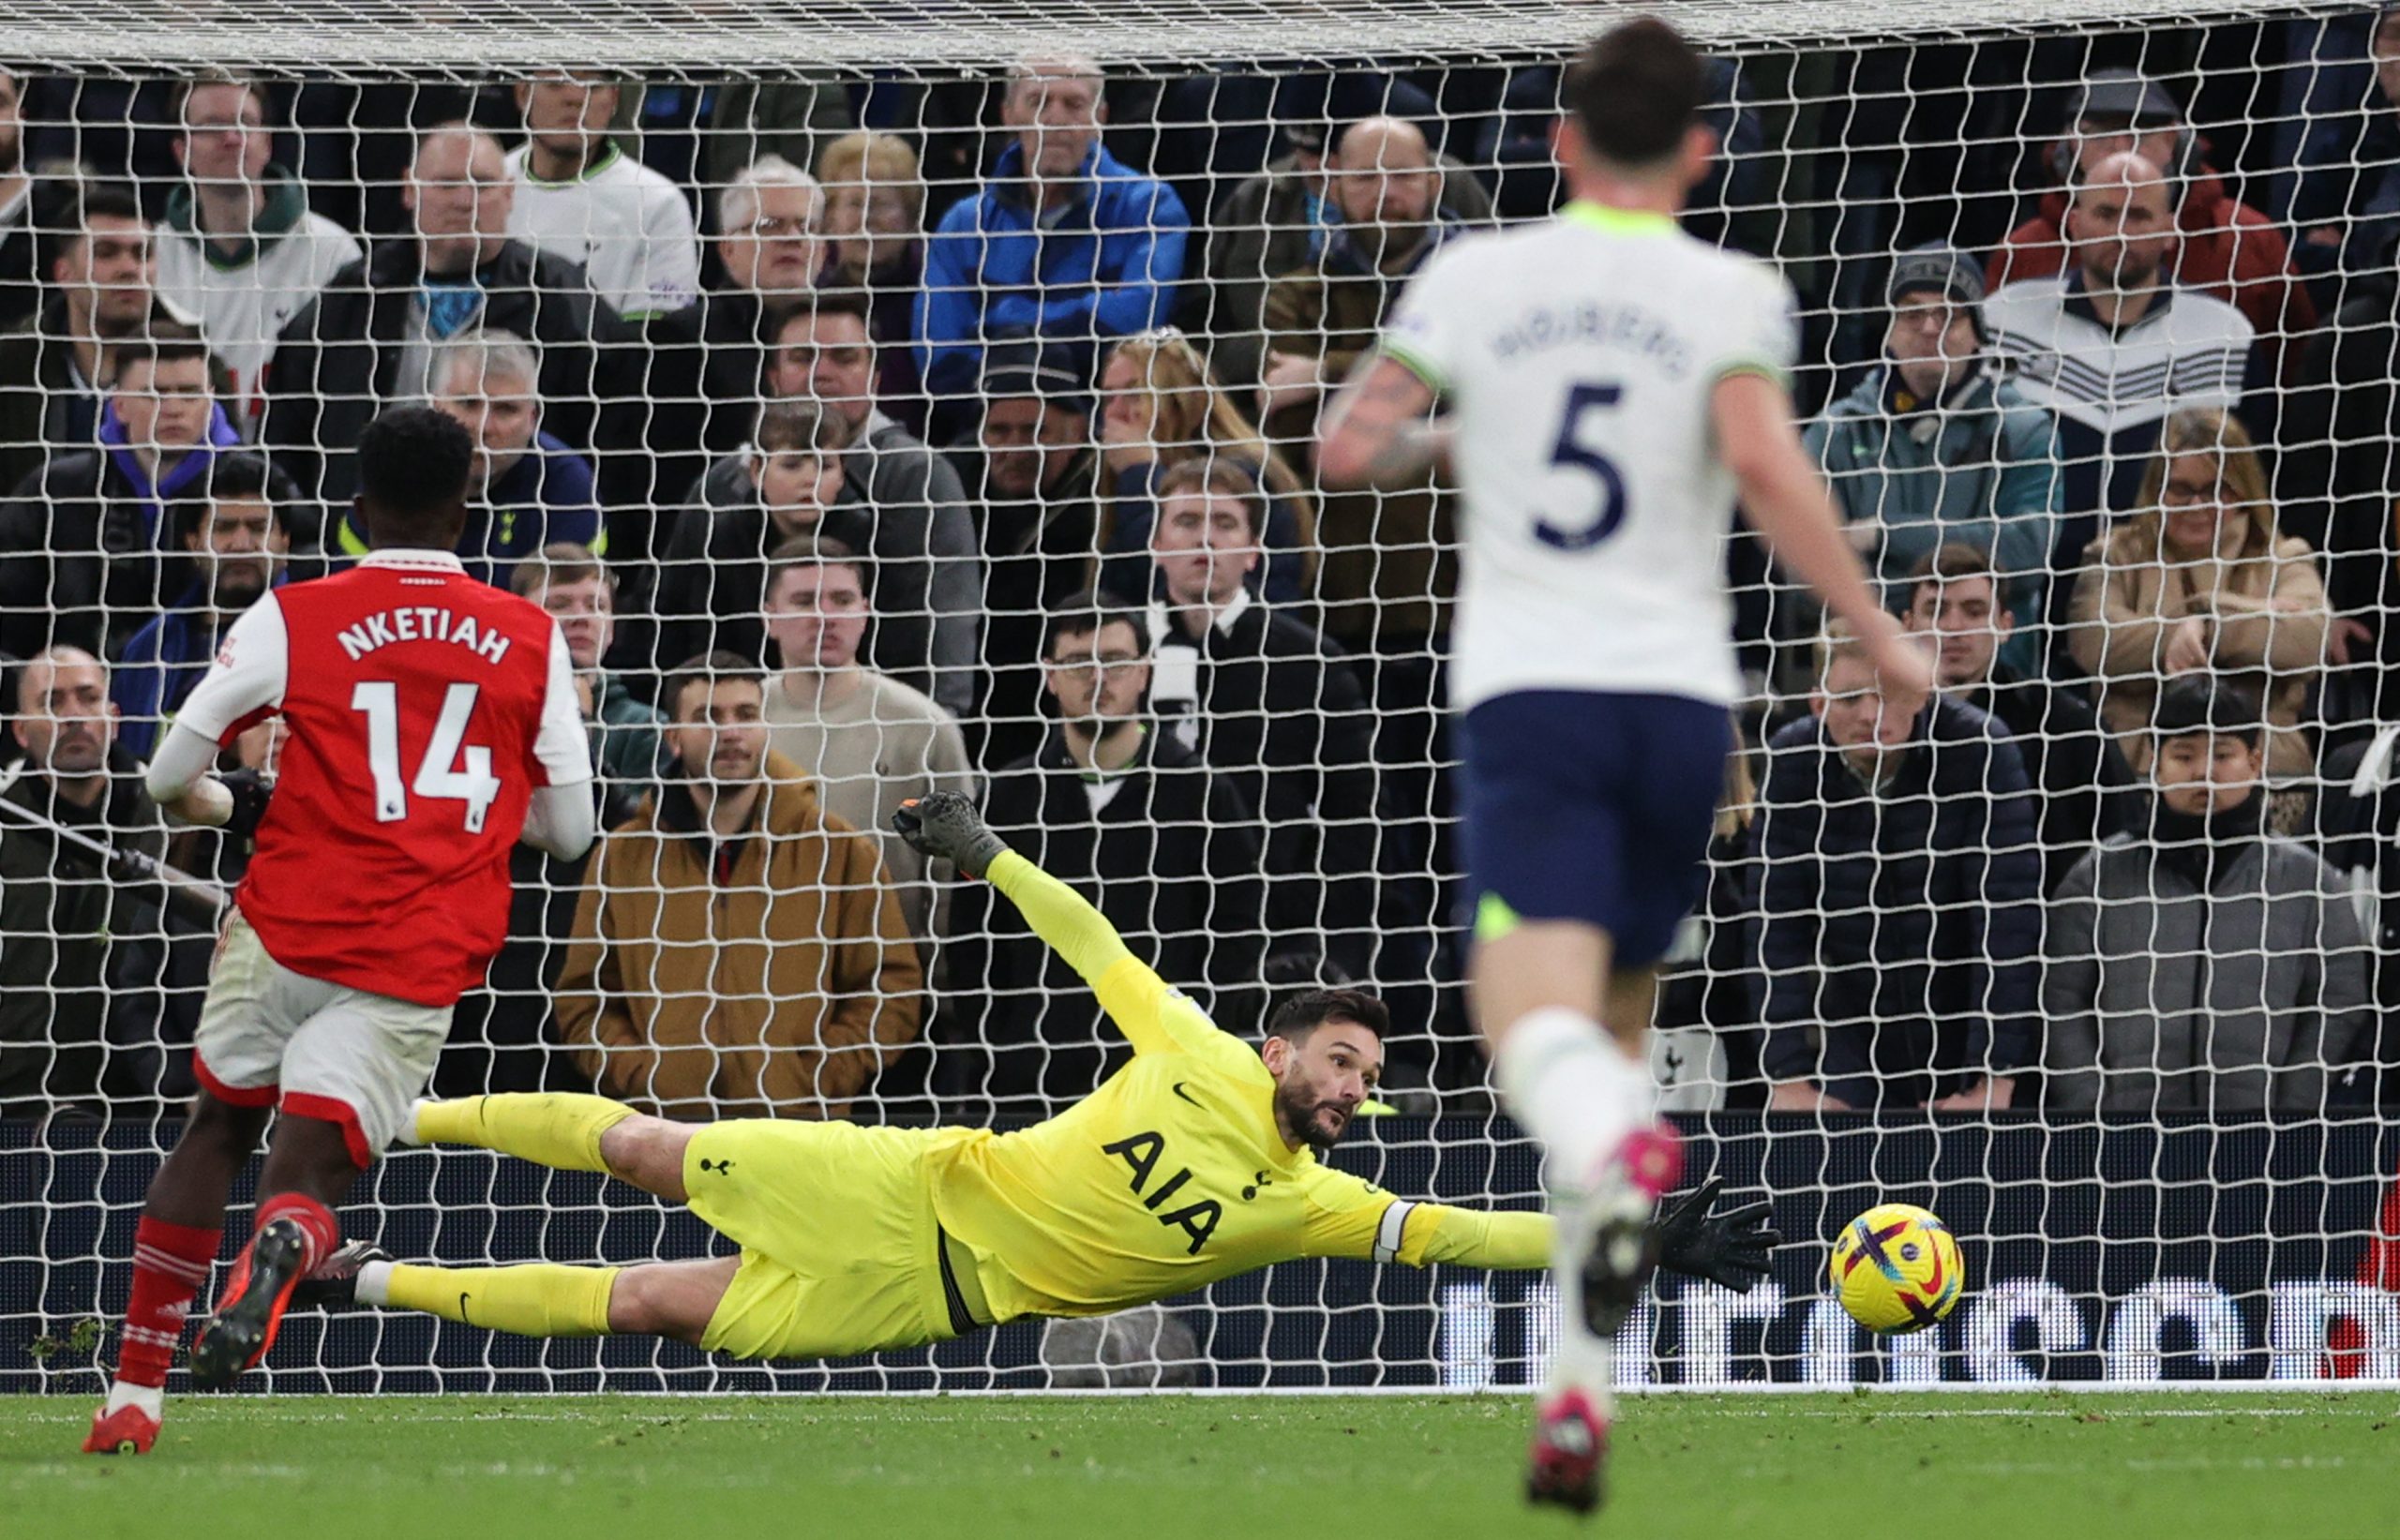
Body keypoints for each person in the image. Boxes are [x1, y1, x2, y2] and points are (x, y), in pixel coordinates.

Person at [1313, 19, 1929, 1511]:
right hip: (1681, 712)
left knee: (1525, 1023)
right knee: (1614, 1028)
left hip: (1537, 699)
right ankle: (1580, 1401)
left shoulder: (1477, 274)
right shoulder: (1734, 286)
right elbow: (1765, 458)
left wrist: (1466, 437)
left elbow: (1346, 448)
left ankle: (1629, 1146)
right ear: (1702, 150)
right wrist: (1873, 628)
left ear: (1558, 141)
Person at [297, 793, 1777, 1386]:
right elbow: (1098, 942)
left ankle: (360, 1274)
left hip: (920, 1296)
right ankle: (394, 1110)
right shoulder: (1197, 1049)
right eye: (1340, 1058)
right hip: (906, 1178)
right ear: (1281, 1050)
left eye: (1369, 1076)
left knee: (643, 1302)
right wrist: (989, 855)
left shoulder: (1313, 1201)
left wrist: (1623, 1235)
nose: (1352, 1086)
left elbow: (1469, 1231)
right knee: (641, 1144)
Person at [82, 404, 596, 1457]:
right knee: (309, 1172)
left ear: (357, 512)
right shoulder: (530, 635)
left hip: (281, 927)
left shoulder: (291, 612)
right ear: (469, 510)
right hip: (414, 951)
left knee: (215, 1129)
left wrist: (235, 807)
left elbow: (167, 774)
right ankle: (284, 1243)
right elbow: (572, 831)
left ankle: (135, 1394)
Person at [552, 652, 922, 1120]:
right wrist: (643, 1077)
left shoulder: (839, 851)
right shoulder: (623, 858)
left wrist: (821, 1075)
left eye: (745, 715)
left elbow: (891, 985)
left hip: (800, 1135)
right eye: (707, 717)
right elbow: (585, 1000)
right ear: (674, 738)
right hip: (664, 1141)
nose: (730, 732)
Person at [945, 599, 1265, 1112]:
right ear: (1049, 676)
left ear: (1145, 672)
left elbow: (1236, 937)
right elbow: (972, 941)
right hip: (1031, 1084)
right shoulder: (1008, 796)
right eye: (1077, 663)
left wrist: (1195, 1045)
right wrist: (1004, 1044)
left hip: (1165, 1086)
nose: (1098, 678)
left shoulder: (1201, 793)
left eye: (1115, 660)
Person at [2047, 678, 2371, 1114]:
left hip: (2266, 1141)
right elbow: (2061, 1001)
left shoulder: (2308, 880)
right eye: (2184, 756)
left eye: (2223, 755)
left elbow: (2338, 1000)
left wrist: (2295, 1106)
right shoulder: (2098, 876)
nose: (2205, 772)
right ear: (2155, 764)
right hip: (2127, 1139)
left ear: (2255, 763)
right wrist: (2094, 1106)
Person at [1753, 624, 2041, 1114]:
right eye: (1849, 700)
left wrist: (1993, 1077)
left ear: (1920, 693)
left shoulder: (1980, 749)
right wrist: (1787, 1077)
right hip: (1854, 1019)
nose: (1871, 716)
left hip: (1961, 1012)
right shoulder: (1791, 761)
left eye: (1888, 696)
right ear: (1817, 703)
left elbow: (2006, 924)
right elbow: (1773, 929)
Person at [266, 123, 620, 511]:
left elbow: (614, 441)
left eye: (483, 185)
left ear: (509, 193)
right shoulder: (349, 301)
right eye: (447, 184)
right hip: (368, 535)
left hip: (519, 537)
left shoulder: (563, 301)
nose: (465, 201)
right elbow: (289, 443)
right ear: (409, 189)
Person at [436, 545, 668, 1099]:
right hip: (495, 950)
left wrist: (581, 735)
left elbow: (644, 833)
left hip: (608, 952)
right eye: (560, 603)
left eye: (596, 603)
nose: (582, 615)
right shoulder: (476, 717)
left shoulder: (649, 728)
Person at [1141, 460, 1379, 985]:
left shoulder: (1310, 660)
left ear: (1253, 551)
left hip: (1275, 927)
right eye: (1185, 521)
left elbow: (1355, 814)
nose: (1204, 537)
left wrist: (1307, 915)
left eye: (1225, 523)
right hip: (1144, 914)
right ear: (1156, 543)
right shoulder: (1116, 651)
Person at [1983, 150, 2262, 530]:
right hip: (2027, 577)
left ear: (2170, 230)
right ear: (2075, 222)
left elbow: (2254, 476)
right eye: (2106, 214)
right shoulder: (2006, 317)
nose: (2121, 232)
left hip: (2166, 578)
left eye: (2139, 216)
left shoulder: (2225, 334)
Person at [1802, 244, 2062, 650]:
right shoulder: (1836, 431)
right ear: (1888, 329)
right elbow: (1809, 563)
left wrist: (1883, 535)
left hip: (1997, 676)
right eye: (1911, 312)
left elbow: (2026, 553)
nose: (1928, 328)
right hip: (1874, 664)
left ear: (1977, 332)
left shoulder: (2025, 428)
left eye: (1949, 315)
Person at [916, 56, 1189, 430]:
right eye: (1038, 102)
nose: (1055, 119)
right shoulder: (964, 224)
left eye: (1073, 104)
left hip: (1109, 429)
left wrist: (1006, 321)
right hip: (989, 437)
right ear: (1008, 114)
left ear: (1101, 117)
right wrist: (1014, 421)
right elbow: (940, 359)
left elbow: (1134, 322)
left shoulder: (1148, 206)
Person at [2070, 408, 2330, 796]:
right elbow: (2095, 641)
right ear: (2157, 489)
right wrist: (2192, 629)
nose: (2196, 505)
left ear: (2244, 490)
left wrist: (2208, 620)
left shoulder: (2285, 555)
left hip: (2269, 774)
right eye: (2181, 489)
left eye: (2216, 489)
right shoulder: (2113, 554)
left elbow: (2310, 638)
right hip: (2138, 773)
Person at [1988, 68, 2315, 377]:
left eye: (2140, 134)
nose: (2121, 151)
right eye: (2101, 135)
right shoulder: (2023, 253)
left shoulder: (2248, 239)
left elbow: (2292, 371)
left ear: (2174, 141)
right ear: (2071, 144)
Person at [762, 534, 974, 946]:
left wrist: (942, 991)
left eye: (841, 600)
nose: (824, 617)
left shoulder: (923, 727)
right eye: (804, 601)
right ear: (769, 616)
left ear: (864, 611)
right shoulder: (743, 725)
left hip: (892, 975)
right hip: (765, 972)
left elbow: (957, 875)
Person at [0, 325, 248, 662]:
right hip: (82, 696)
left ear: (212, 398)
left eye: (190, 393)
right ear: (119, 405)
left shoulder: (259, 486)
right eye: (154, 394)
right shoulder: (55, 492)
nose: (173, 407)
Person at [1902, 543, 2135, 894]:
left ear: (2005, 625)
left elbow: (2125, 843)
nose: (1953, 628)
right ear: (1907, 625)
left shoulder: (2065, 725)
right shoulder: (1880, 725)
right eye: (1936, 611)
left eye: (1974, 611)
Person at [1208, 108, 1494, 388]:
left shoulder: (1486, 280)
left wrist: (1326, 370)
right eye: (1366, 177)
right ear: (1335, 190)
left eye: (1403, 175)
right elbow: (1294, 413)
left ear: (1433, 185)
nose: (1385, 193)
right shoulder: (1297, 298)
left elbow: (1491, 376)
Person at [0, 646, 171, 1111]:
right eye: (52, 703)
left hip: (150, 1110)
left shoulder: (175, 819)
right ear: (20, 728)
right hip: (18, 1105)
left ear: (114, 717)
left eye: (87, 698)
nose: (73, 716)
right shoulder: (5, 823)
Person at [155, 72, 362, 432]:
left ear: (266, 143)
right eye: (212, 126)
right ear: (181, 150)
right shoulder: (151, 253)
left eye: (245, 124)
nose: (232, 139)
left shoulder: (332, 251)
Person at [329, 328, 604, 591]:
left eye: (506, 410)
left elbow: (567, 609)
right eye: (468, 404)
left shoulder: (569, 488)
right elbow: (351, 592)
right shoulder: (393, 469)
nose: (483, 426)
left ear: (533, 418)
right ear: (436, 406)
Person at [639, 156, 823, 515]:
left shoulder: (844, 335)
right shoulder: (682, 340)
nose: (792, 238)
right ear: (728, 248)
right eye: (770, 225)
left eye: (807, 226)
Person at [1091, 327, 1317, 606]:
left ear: (1181, 400)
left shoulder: (1242, 477)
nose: (1115, 413)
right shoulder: (1120, 484)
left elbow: (1181, 587)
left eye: (1135, 394)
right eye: (1108, 398)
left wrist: (1140, 475)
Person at [959, 345, 1103, 771]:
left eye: (1035, 431)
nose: (1016, 449)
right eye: (999, 431)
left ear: (1076, 430)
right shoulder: (952, 482)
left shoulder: (1105, 498)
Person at [112, 453, 299, 760]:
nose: (241, 543)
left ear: (285, 541)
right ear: (194, 542)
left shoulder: (322, 638)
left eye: (257, 527)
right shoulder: (150, 649)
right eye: (224, 527)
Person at [0, 184, 165, 494]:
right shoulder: (11, 370)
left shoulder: (194, 365)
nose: (130, 269)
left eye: (141, 253)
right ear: (64, 273)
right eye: (106, 253)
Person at [505, 70, 700, 321]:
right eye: (556, 83)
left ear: (614, 100)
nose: (576, 97)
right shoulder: (480, 188)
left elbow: (654, 340)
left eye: (594, 86)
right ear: (523, 93)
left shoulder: (658, 202)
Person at [815, 131, 926, 429]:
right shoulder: (810, 297)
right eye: (853, 203)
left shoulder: (934, 289)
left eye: (881, 204)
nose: (866, 219)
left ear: (911, 218)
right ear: (830, 220)